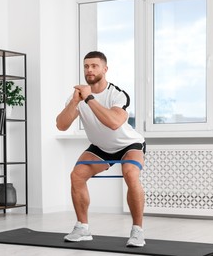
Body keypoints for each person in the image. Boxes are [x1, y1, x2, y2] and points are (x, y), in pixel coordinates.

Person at [56, 51, 146, 247]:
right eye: (86, 66)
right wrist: (75, 102)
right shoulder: (78, 97)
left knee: (130, 174)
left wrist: (89, 99)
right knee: (77, 175)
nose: (89, 69)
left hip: (128, 144)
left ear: (105, 69)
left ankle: (137, 231)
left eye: (94, 66)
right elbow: (61, 125)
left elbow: (114, 123)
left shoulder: (117, 94)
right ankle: (83, 227)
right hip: (101, 147)